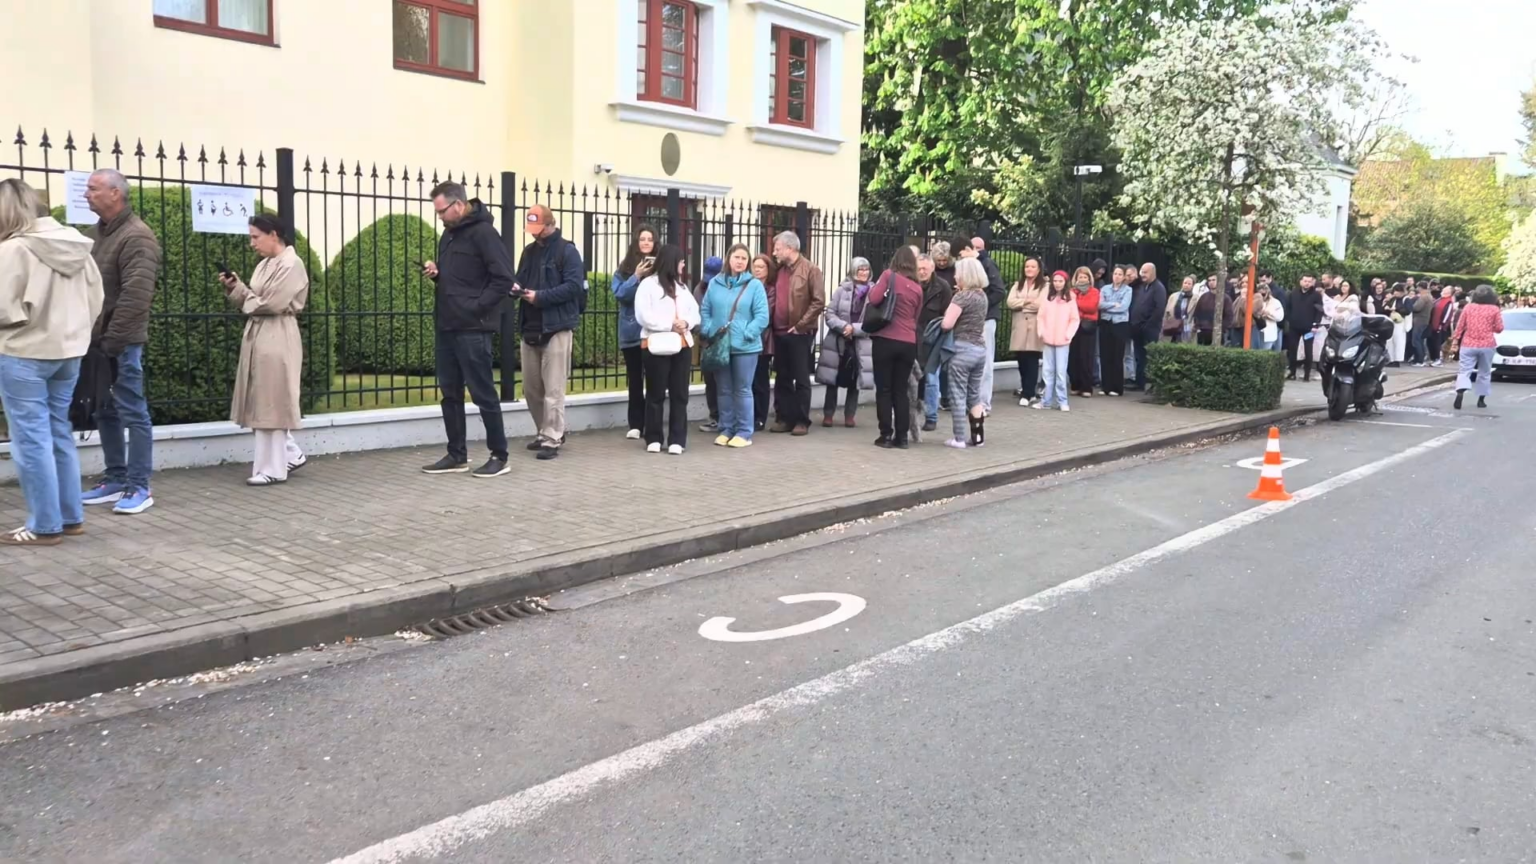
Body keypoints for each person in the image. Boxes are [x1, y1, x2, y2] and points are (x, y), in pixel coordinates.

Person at [0, 179, 104, 546]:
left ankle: (44, 525)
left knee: (31, 440)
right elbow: (96, 301)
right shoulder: (78, 247)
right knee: (57, 431)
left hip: (23, 352)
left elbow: (3, 307)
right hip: (68, 352)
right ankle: (70, 516)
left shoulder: (12, 250)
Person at [80, 168, 162, 516]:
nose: (86, 194)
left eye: (93, 188)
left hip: (121, 342)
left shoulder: (137, 237)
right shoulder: (94, 235)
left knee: (132, 410)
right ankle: (115, 478)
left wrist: (113, 342)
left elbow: (135, 297)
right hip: (95, 340)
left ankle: (138, 485)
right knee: (104, 410)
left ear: (116, 193)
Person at [418, 181, 515, 477]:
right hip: (447, 326)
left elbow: (503, 279)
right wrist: (438, 274)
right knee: (449, 393)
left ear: (458, 205)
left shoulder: (484, 233)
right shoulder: (448, 235)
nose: (440, 217)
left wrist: (475, 307)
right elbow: (460, 279)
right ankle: (456, 454)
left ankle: (499, 455)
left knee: (483, 393)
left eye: (442, 211)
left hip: (473, 328)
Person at [218, 214, 309, 486]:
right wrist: (236, 287)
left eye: (255, 236)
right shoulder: (264, 265)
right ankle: (290, 454)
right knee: (263, 398)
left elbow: (272, 304)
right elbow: (254, 299)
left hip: (278, 334)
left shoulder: (292, 264)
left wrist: (246, 297)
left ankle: (273, 468)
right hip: (260, 335)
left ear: (273, 235)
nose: (252, 243)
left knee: (273, 398)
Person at [514, 203, 586, 460]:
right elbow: (520, 277)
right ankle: (544, 431)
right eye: (531, 228)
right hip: (530, 326)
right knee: (531, 388)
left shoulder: (567, 251)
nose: (534, 234)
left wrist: (540, 297)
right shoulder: (529, 252)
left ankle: (553, 438)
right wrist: (516, 288)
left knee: (553, 388)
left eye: (538, 228)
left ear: (550, 224)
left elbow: (574, 286)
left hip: (556, 326)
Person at [700, 243, 769, 448]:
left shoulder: (754, 285)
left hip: (745, 347)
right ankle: (726, 428)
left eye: (744, 259)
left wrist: (747, 333)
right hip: (721, 344)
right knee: (723, 389)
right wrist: (708, 329)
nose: (740, 261)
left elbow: (762, 316)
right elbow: (706, 310)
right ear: (729, 259)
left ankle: (744, 431)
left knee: (742, 389)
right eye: (737, 257)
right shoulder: (714, 283)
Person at [635, 244, 700, 454]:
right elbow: (643, 316)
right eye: (681, 261)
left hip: (681, 346)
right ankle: (653, 438)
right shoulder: (648, 285)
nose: (683, 265)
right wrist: (669, 324)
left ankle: (677, 440)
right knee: (655, 393)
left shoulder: (682, 288)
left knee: (680, 393)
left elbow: (695, 313)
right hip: (656, 346)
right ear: (672, 262)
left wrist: (686, 323)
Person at [865, 246, 923, 449]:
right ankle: (903, 437)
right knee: (901, 390)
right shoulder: (917, 287)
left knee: (884, 389)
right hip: (908, 342)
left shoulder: (889, 275)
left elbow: (873, 299)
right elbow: (915, 317)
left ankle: (885, 435)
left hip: (886, 339)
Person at [768, 231, 824, 436]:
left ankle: (802, 420)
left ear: (790, 248)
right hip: (779, 332)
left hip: (800, 332)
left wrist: (801, 325)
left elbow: (818, 301)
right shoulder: (779, 270)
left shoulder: (811, 270)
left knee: (801, 378)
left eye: (778, 248)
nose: (774, 252)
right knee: (782, 377)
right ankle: (784, 418)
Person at [611, 224, 657, 440]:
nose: (646, 242)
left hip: (655, 332)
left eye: (650, 239)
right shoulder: (624, 270)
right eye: (642, 238)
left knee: (655, 379)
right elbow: (620, 294)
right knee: (635, 379)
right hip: (631, 332)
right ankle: (636, 423)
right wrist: (636, 276)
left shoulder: (661, 267)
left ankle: (652, 423)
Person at [940, 257, 992, 448]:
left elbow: (947, 324)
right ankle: (978, 437)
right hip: (980, 350)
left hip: (962, 350)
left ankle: (959, 438)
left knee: (957, 394)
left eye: (958, 273)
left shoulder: (961, 297)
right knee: (973, 395)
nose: (955, 276)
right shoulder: (982, 296)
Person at [816, 257, 874, 427]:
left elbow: (875, 320)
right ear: (852, 270)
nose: (863, 273)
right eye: (860, 269)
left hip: (860, 343)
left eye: (866, 270)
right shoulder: (842, 290)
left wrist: (854, 329)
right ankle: (828, 414)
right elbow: (830, 313)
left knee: (854, 380)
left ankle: (850, 415)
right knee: (832, 379)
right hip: (838, 341)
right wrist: (843, 327)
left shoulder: (874, 292)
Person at [964, 236, 1008, 414]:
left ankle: (983, 403)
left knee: (985, 361)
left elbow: (999, 291)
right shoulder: (969, 265)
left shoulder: (987, 264)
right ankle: (974, 402)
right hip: (973, 319)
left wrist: (980, 305)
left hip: (986, 318)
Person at [1451, 285, 1504, 410]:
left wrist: (1455, 340)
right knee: (1484, 372)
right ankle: (1481, 399)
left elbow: (1460, 326)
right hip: (1487, 344)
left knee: (1464, 370)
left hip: (1468, 343)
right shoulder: (1494, 309)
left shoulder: (1468, 307)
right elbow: (1499, 328)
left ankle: (1460, 390)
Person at [916, 252, 953, 429]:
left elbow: (947, 315)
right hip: (913, 338)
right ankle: (912, 414)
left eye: (925, 268)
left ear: (932, 268)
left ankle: (931, 417)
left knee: (931, 378)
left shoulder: (943, 287)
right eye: (918, 269)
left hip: (934, 340)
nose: (921, 272)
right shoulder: (911, 285)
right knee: (912, 379)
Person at [1035, 270, 1080, 412]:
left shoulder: (1070, 298)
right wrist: (1041, 331)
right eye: (1055, 281)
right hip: (1048, 339)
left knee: (1060, 372)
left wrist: (1068, 334)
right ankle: (1046, 401)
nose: (1057, 284)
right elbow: (1041, 316)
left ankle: (1062, 401)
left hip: (1063, 340)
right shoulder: (1048, 297)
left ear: (1065, 282)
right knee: (1047, 371)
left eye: (1060, 281)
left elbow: (1074, 318)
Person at [1007, 256, 1047, 406]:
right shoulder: (1018, 285)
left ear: (1038, 269)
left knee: (1032, 360)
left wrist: (1022, 306)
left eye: (1032, 267)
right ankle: (1025, 389)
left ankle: (1028, 392)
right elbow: (1010, 302)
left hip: (1035, 327)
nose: (1029, 269)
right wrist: (1025, 302)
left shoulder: (1044, 286)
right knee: (1021, 360)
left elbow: (1040, 304)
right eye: (1027, 267)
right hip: (1019, 327)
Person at [695, 255, 725, 434]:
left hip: (723, 341)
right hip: (707, 342)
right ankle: (715, 417)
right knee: (710, 382)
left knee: (724, 383)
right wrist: (704, 331)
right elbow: (696, 314)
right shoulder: (699, 289)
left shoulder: (726, 287)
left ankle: (726, 417)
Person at [748, 253, 777, 431]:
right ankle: (748, 415)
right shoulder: (748, 285)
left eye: (761, 267)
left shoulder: (771, 289)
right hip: (746, 338)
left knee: (760, 380)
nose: (757, 270)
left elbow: (767, 313)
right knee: (747, 381)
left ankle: (760, 417)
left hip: (763, 340)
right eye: (755, 266)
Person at [1127, 263, 1166, 390]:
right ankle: (1139, 382)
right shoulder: (1142, 286)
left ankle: (1150, 382)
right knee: (1139, 356)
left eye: (1145, 272)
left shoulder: (1158, 288)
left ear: (1153, 272)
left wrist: (1147, 325)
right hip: (1136, 327)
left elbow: (1159, 309)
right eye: (1141, 272)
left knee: (1149, 355)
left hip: (1149, 329)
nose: (1142, 275)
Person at [1097, 265, 1131, 396]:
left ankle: (1116, 387)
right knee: (1105, 354)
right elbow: (1100, 305)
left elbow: (1123, 307)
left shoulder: (1128, 290)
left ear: (1123, 277)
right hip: (1106, 323)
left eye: (1120, 274)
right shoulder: (1105, 288)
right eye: (1115, 273)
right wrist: (1113, 304)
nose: (1117, 276)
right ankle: (1105, 386)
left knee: (1117, 355)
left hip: (1120, 324)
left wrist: (1108, 306)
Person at [1284, 275, 1325, 381]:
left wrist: (1315, 325)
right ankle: (1292, 372)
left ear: (1312, 283)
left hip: (1309, 328)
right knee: (1293, 349)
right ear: (1300, 281)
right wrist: (1290, 319)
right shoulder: (1293, 293)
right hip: (1294, 327)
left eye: (1309, 281)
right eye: (1305, 281)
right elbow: (1288, 307)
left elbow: (1319, 311)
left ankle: (1307, 374)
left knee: (1308, 350)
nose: (1307, 283)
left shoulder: (1316, 295)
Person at [1066, 267, 1099, 397]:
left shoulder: (1094, 291)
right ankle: (1075, 385)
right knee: (1074, 357)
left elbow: (1091, 307)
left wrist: (1077, 303)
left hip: (1087, 327)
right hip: (1074, 326)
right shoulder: (1072, 291)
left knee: (1086, 356)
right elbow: (1068, 306)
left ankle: (1086, 387)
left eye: (1085, 277)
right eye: (1080, 277)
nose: (1083, 279)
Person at [1427, 285, 1455, 368]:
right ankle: (1433, 358)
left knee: (1437, 343)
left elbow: (1447, 314)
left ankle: (1437, 359)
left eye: (1446, 289)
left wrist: (1442, 324)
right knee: (1431, 342)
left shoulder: (1448, 302)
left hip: (1440, 326)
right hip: (1433, 324)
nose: (1443, 290)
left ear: (1449, 292)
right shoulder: (1440, 299)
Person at [1253, 284, 1285, 350]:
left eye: (1263, 294)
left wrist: (1269, 314)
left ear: (1268, 293)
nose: (1262, 296)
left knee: (1265, 352)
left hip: (1269, 331)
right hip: (1256, 330)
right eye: (1260, 295)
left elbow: (1280, 317)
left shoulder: (1275, 302)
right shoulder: (1254, 301)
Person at [1409, 284, 1434, 367]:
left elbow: (1416, 308)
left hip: (1419, 321)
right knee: (1419, 340)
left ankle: (1419, 360)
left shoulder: (1424, 297)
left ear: (1420, 288)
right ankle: (1420, 359)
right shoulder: (1429, 296)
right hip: (1424, 320)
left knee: (1416, 340)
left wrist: (1411, 305)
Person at [1165, 276, 1195, 344]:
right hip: (1173, 325)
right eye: (1185, 283)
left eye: (1189, 284)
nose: (1186, 285)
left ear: (1193, 286)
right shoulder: (1174, 296)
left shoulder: (1195, 298)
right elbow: (1167, 312)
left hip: (1187, 326)